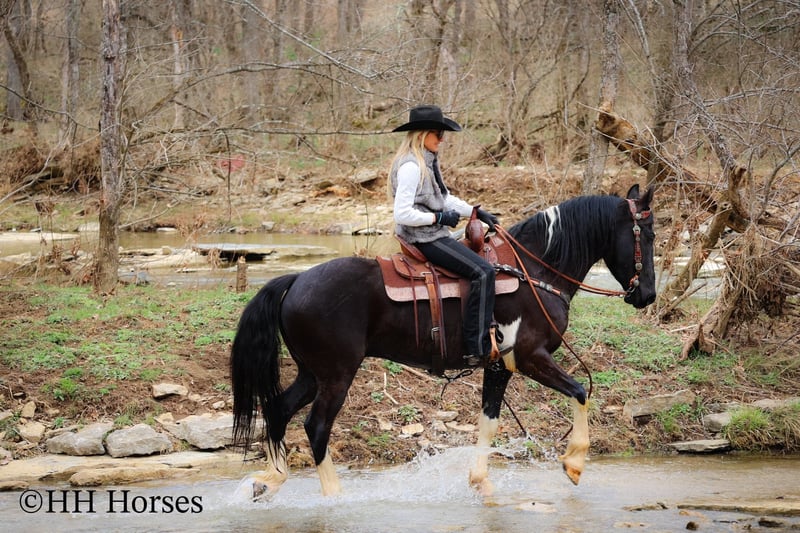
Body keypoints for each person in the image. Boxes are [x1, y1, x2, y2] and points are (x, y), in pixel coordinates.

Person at [388, 104, 499, 366]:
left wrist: (475, 212)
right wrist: (437, 218)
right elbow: (402, 214)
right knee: (484, 272)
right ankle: (475, 346)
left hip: (432, 231)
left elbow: (444, 198)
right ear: (422, 134)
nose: (442, 139)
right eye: (438, 133)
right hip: (424, 237)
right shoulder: (412, 166)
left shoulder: (427, 160)